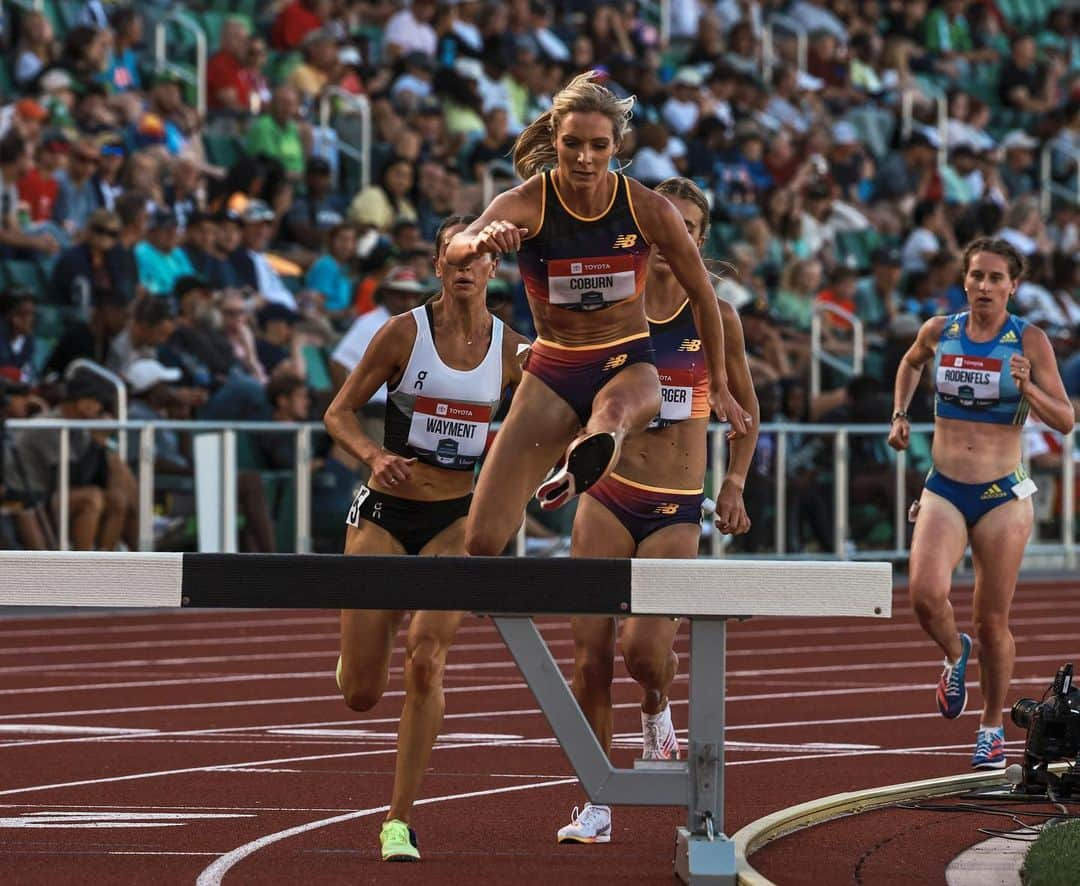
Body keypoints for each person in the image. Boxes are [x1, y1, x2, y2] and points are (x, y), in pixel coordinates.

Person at [447, 71, 751, 559]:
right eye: (572, 144)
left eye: (597, 145)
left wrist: (717, 383)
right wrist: (480, 240)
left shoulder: (647, 209)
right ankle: (573, 457)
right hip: (555, 368)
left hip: (625, 362)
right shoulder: (526, 202)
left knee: (613, 414)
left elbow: (702, 295)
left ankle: (588, 448)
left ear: (616, 145)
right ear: (555, 140)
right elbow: (457, 248)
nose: (584, 158)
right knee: (482, 539)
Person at [556, 178, 760, 844]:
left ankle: (656, 703)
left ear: (702, 238)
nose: (680, 238)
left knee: (643, 652)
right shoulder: (617, 308)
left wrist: (732, 485)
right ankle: (596, 800)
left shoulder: (718, 318)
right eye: (671, 223)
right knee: (589, 660)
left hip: (674, 506)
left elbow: (746, 417)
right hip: (609, 496)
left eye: (694, 226)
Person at [323, 216, 529, 863]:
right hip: (383, 514)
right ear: (438, 266)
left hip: (455, 520)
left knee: (426, 660)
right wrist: (370, 456)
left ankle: (398, 819)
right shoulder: (402, 335)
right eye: (454, 257)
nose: (465, 268)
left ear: (493, 269)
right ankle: (362, 641)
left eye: (476, 258)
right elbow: (338, 412)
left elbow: (551, 420)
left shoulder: (513, 352)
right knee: (361, 692)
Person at [888, 238, 1074, 770]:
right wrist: (900, 414)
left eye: (996, 278)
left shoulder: (1028, 339)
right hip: (944, 486)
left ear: (1013, 285)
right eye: (976, 276)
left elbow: (1065, 418)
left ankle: (991, 726)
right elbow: (909, 361)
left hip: (1001, 495)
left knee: (992, 620)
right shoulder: (940, 330)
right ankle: (953, 652)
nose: (984, 286)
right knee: (925, 597)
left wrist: (1028, 389)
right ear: (964, 280)